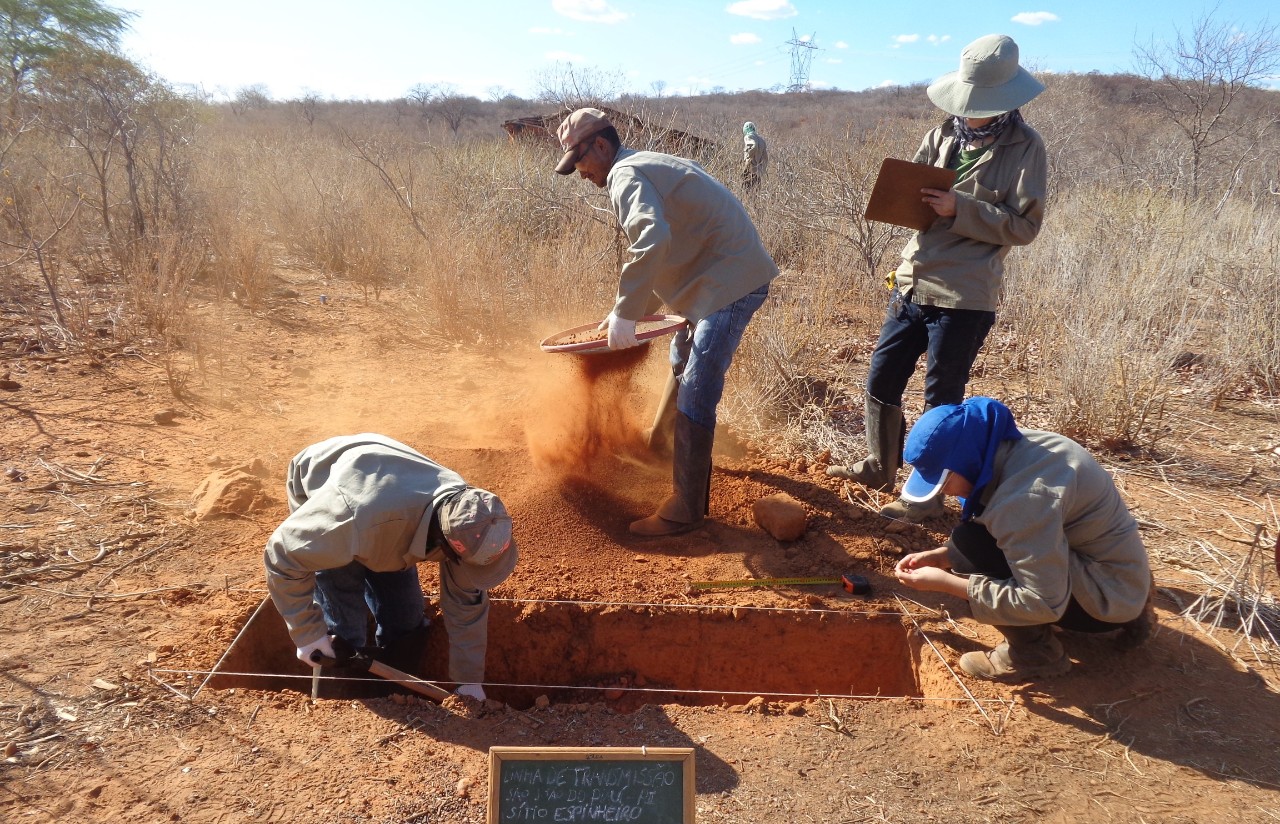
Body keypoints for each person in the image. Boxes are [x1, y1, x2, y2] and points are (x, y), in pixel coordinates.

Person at [827, 33, 1048, 522]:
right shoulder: (943, 134)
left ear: (1005, 101)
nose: (968, 113)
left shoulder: (1026, 148)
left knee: (940, 400)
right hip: (913, 279)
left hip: (965, 294)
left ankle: (923, 498)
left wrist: (961, 209)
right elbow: (917, 192)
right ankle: (878, 465)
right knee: (881, 376)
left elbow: (1025, 226)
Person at [554, 107, 779, 537]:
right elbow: (674, 244)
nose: (580, 173)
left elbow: (652, 238)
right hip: (714, 275)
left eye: (580, 161)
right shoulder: (646, 162)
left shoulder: (625, 175)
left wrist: (626, 312)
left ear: (600, 145)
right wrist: (629, 310)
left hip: (731, 282)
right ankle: (661, 448)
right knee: (680, 356)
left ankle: (686, 510)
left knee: (697, 382)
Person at [892, 398, 1155, 681]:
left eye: (943, 482)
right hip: (1123, 575)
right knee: (966, 544)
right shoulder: (1016, 446)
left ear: (965, 464)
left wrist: (947, 584)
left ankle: (1034, 655)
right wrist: (942, 557)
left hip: (1106, 602)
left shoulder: (1024, 500)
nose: (943, 492)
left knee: (972, 549)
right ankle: (1135, 609)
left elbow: (1042, 601)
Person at [263, 433, 518, 700]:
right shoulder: (347, 521)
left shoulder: (470, 522)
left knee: (405, 617)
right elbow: (281, 554)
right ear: (443, 545)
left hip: (389, 506)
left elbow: (466, 604)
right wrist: (307, 634)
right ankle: (342, 705)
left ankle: (395, 698)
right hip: (329, 483)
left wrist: (469, 681)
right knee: (345, 625)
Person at [741, 121, 768, 192]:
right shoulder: (762, 140)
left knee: (746, 191)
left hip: (750, 168)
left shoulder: (748, 136)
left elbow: (753, 146)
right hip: (758, 172)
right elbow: (765, 158)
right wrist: (762, 169)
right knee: (756, 192)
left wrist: (748, 157)